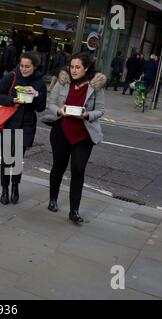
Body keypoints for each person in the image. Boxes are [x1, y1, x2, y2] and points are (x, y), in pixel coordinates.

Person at [47, 52, 106, 225]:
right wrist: (59, 110)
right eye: (71, 66)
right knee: (59, 166)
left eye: (77, 67)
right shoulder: (62, 81)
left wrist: (87, 115)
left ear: (86, 68)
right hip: (61, 131)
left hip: (84, 135)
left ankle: (74, 211)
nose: (73, 70)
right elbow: (50, 103)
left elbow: (101, 110)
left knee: (78, 170)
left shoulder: (96, 86)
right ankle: (53, 198)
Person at [0, 52, 47, 205]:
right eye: (22, 65)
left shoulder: (39, 82)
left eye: (27, 66)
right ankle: (4, 189)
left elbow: (41, 108)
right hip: (10, 121)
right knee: (7, 158)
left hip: (27, 123)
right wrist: (12, 100)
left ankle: (15, 186)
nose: (24, 69)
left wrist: (36, 95)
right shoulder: (12, 76)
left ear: (34, 67)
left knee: (17, 159)